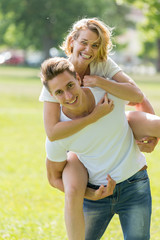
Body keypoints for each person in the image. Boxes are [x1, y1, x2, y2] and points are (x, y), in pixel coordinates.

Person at [39, 18, 158, 239]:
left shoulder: (103, 66)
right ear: (72, 41)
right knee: (74, 188)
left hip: (114, 123)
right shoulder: (57, 77)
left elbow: (137, 94)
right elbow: (53, 132)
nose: (89, 50)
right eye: (84, 42)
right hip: (78, 146)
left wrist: (151, 136)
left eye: (95, 45)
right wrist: (94, 117)